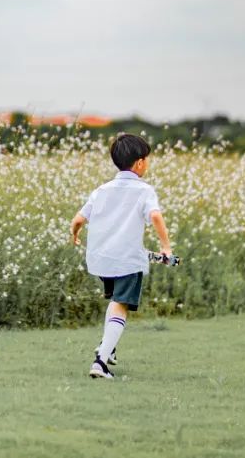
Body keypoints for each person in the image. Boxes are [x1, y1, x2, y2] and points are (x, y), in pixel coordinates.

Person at [69, 133, 172, 379]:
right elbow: (156, 216)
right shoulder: (144, 190)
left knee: (116, 301)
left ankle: (109, 347)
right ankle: (100, 362)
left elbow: (78, 219)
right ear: (139, 163)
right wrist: (166, 247)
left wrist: (75, 235)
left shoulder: (101, 190)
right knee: (120, 305)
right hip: (127, 259)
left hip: (102, 258)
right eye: (147, 160)